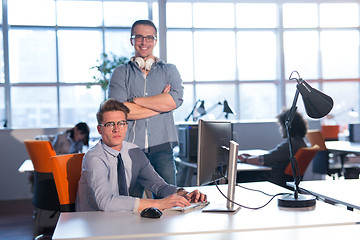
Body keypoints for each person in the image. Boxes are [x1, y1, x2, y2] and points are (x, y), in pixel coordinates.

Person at [76, 99, 206, 212]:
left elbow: (159, 186)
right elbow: (105, 202)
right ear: (100, 129)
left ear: (126, 126)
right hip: (94, 221)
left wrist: (184, 194)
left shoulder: (134, 152)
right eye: (110, 124)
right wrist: (158, 203)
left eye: (121, 123)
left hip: (122, 219)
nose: (117, 129)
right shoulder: (94, 157)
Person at [108, 19, 183, 188]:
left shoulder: (169, 70)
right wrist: (160, 106)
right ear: (132, 40)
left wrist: (136, 101)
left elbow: (174, 101)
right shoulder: (121, 73)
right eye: (139, 37)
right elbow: (119, 111)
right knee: (131, 205)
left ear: (155, 41)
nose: (144, 42)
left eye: (149, 38)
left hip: (163, 148)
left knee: (170, 201)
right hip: (131, 150)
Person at [238, 109, 308, 188]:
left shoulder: (290, 145)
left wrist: (245, 159)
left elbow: (265, 159)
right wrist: (250, 157)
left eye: (281, 126)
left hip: (273, 180)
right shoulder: (300, 142)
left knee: (239, 176)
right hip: (281, 179)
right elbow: (272, 156)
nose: (280, 129)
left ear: (288, 127)